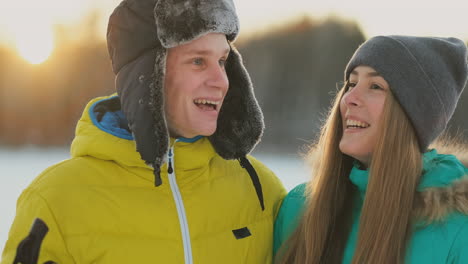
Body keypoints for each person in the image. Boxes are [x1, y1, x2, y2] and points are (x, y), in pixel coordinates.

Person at [1, 0, 286, 263]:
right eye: (198, 61)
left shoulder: (259, 189)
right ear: (148, 73)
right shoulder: (56, 199)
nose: (220, 81)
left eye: (222, 61)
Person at [274, 35, 468, 263]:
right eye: (352, 83)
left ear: (412, 116)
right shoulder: (299, 207)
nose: (349, 98)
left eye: (375, 86)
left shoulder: (457, 230)